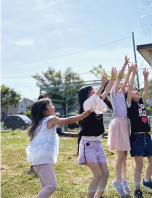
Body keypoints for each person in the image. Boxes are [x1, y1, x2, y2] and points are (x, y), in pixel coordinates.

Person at [26, 98, 91, 198]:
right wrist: (82, 116)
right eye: (50, 104)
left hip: (37, 161)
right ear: (44, 111)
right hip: (43, 161)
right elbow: (68, 120)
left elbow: (32, 141)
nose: (53, 106)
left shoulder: (38, 124)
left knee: (45, 187)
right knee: (51, 186)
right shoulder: (50, 119)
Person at [78, 68, 116, 198]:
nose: (95, 91)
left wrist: (111, 79)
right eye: (92, 90)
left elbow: (106, 91)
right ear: (88, 94)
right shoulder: (86, 105)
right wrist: (101, 84)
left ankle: (98, 196)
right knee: (98, 175)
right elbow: (98, 94)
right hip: (87, 144)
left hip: (98, 144)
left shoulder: (97, 103)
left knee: (105, 174)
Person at [126, 67, 152, 198]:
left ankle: (147, 180)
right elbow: (129, 89)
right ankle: (137, 189)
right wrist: (133, 74)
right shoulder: (130, 104)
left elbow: (146, 90)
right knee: (139, 165)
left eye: (137, 91)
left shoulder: (141, 102)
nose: (137, 92)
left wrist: (145, 78)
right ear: (130, 95)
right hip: (136, 138)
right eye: (135, 91)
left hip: (147, 136)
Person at [107, 56, 137, 197]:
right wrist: (125, 65)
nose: (118, 83)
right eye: (114, 82)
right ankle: (117, 181)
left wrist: (131, 72)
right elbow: (120, 78)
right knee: (120, 155)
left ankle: (124, 180)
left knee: (124, 155)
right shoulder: (113, 93)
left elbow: (124, 82)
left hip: (124, 124)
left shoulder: (121, 93)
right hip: (118, 124)